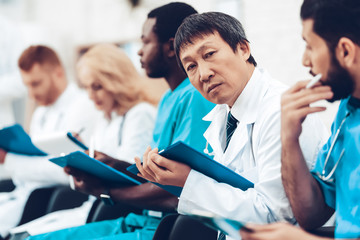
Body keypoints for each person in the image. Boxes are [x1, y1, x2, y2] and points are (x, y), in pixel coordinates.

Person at [26, 3, 215, 240]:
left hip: (165, 227)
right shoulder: (168, 98)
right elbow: (156, 174)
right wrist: (113, 164)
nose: (138, 51)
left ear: (169, 46)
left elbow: (179, 189)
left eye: (145, 42)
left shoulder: (194, 97)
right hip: (143, 220)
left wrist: (107, 191)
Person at [136, 11, 328, 240]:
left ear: (243, 49)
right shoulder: (224, 116)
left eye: (209, 54)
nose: (204, 74)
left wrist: (188, 181)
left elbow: (276, 217)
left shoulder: (280, 110)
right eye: (191, 67)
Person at [240, 0, 360, 239]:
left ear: (345, 51)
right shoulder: (348, 111)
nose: (306, 61)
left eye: (310, 47)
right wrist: (289, 136)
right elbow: (311, 213)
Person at [9, 43, 158, 237]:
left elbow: (130, 172)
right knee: (22, 234)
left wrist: (91, 164)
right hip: (95, 205)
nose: (90, 95)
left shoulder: (140, 114)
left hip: (116, 209)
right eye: (87, 87)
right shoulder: (108, 119)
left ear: (116, 81)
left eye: (97, 87)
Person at [0, 45, 100, 238]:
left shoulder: (83, 106)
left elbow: (65, 170)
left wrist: (10, 160)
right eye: (27, 85)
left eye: (36, 84)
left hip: (50, 197)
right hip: (24, 192)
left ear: (58, 73)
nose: (31, 94)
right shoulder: (41, 113)